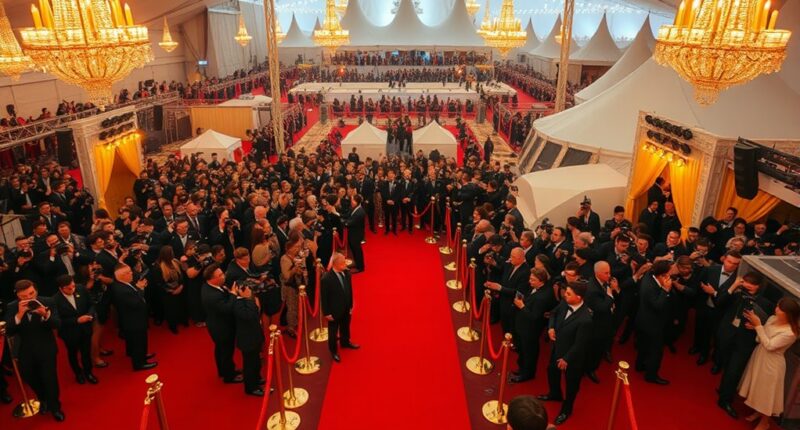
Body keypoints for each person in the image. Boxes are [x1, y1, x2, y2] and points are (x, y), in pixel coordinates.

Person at [713, 271, 775, 419]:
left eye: (752, 284)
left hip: (745, 341)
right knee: (727, 366)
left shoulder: (765, 303)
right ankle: (724, 390)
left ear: (759, 286)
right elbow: (719, 302)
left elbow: (769, 324)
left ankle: (725, 401)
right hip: (727, 335)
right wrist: (733, 286)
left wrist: (756, 327)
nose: (748, 285)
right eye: (746, 282)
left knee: (734, 371)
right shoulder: (736, 294)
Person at [4, 279, 64, 421]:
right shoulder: (12, 307)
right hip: (24, 350)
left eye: (31, 293)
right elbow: (8, 330)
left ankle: (55, 407)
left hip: (46, 348)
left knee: (50, 380)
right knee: (29, 377)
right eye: (24, 296)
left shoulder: (48, 301)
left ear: (36, 290)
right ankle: (43, 399)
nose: (29, 298)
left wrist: (45, 315)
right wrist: (19, 315)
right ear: (18, 295)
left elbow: (57, 324)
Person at [738, 298, 800, 430]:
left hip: (772, 364)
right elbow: (761, 338)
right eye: (777, 306)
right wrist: (757, 328)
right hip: (760, 356)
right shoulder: (772, 318)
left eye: (780, 309)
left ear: (788, 314)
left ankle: (764, 423)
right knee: (758, 389)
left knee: (767, 394)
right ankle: (758, 413)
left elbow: (770, 346)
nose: (776, 309)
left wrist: (758, 325)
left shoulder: (791, 333)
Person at [537, 280, 592, 425]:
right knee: (551, 371)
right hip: (557, 349)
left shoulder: (585, 319)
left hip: (572, 358)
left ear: (578, 297)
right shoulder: (564, 302)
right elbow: (553, 314)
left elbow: (580, 344)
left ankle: (566, 410)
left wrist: (566, 359)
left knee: (571, 385)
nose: (564, 295)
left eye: (568, 293)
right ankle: (555, 394)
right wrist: (550, 328)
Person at [511, 268, 555, 383]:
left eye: (533, 280)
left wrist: (522, 306)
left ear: (541, 281)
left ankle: (527, 374)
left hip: (530, 330)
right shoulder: (536, 288)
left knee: (529, 353)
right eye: (530, 278)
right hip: (523, 326)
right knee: (522, 350)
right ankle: (522, 368)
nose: (530, 281)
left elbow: (534, 316)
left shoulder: (543, 296)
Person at [201, 264, 242, 384]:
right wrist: (233, 294)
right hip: (222, 328)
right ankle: (229, 376)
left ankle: (223, 371)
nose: (224, 276)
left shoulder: (209, 286)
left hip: (217, 324)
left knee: (220, 350)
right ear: (212, 279)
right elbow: (227, 308)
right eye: (220, 275)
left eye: (222, 273)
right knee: (226, 352)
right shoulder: (212, 296)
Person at [52, 274, 97, 384]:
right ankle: (78, 373)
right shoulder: (55, 300)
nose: (72, 289)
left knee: (86, 352)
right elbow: (58, 321)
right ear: (61, 288)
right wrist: (77, 320)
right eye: (69, 288)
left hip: (85, 329)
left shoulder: (81, 289)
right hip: (69, 333)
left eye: (73, 286)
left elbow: (91, 304)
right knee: (73, 354)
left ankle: (88, 372)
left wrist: (90, 314)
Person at [634, 260, 673, 385]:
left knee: (643, 347)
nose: (670, 276)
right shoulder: (650, 287)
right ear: (662, 275)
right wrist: (665, 290)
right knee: (656, 352)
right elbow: (658, 305)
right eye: (668, 274)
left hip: (643, 320)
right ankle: (651, 376)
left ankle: (639, 365)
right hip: (652, 325)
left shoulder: (649, 275)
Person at [111, 264, 156, 370]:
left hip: (131, 319)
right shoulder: (121, 290)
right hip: (134, 320)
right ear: (121, 276)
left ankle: (137, 355)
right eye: (128, 272)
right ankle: (139, 363)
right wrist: (140, 288)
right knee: (139, 342)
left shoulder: (123, 283)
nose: (132, 273)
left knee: (134, 342)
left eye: (130, 271)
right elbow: (136, 303)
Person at [321, 253, 359, 363]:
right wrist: (326, 313)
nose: (345, 264)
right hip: (334, 311)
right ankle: (333, 351)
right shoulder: (326, 279)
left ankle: (345, 342)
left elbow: (349, 290)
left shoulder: (346, 273)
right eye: (342, 263)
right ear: (335, 264)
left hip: (346, 307)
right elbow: (324, 298)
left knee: (345, 326)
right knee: (333, 332)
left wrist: (351, 305)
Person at [233, 281, 265, 396]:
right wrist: (248, 299)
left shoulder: (245, 301)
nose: (248, 290)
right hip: (247, 339)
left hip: (254, 336)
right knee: (250, 364)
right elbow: (250, 316)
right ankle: (251, 388)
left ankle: (257, 379)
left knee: (256, 361)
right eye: (244, 288)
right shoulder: (237, 303)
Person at [345, 194, 366, 272]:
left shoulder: (360, 212)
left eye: (353, 200)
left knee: (357, 251)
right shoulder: (354, 208)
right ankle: (356, 263)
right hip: (352, 233)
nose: (351, 202)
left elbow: (349, 223)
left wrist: (343, 222)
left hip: (356, 235)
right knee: (354, 250)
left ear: (357, 201)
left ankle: (360, 267)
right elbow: (347, 216)